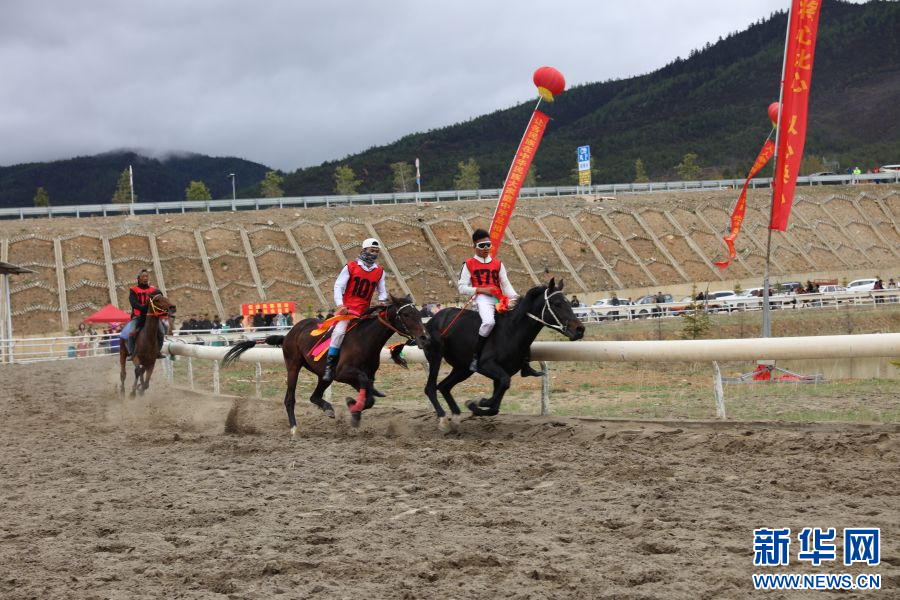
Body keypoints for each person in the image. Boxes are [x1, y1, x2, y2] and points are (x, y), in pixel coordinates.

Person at [457, 229, 542, 376]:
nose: (486, 248)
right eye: (482, 245)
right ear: (474, 246)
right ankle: (476, 357)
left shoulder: (498, 264)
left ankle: (525, 364)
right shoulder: (468, 264)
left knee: (520, 321)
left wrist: (515, 298)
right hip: (482, 298)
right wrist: (482, 290)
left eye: (488, 245)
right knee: (489, 322)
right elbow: (461, 288)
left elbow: (506, 284)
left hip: (499, 298)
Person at [322, 238, 389, 383]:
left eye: (376, 251)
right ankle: (329, 366)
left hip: (365, 312)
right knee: (339, 332)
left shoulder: (379, 271)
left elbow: (382, 291)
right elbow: (338, 286)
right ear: (364, 250)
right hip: (347, 311)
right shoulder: (351, 266)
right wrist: (340, 305)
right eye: (372, 250)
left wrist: (382, 302)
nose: (374, 253)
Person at [121, 269, 166, 357]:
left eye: (146, 276)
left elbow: (160, 299)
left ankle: (157, 352)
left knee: (161, 331)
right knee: (131, 332)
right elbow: (134, 304)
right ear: (138, 278)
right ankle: (131, 353)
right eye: (143, 276)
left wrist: (159, 294)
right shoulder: (133, 290)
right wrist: (145, 308)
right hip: (138, 316)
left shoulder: (153, 289)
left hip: (152, 316)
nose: (145, 278)